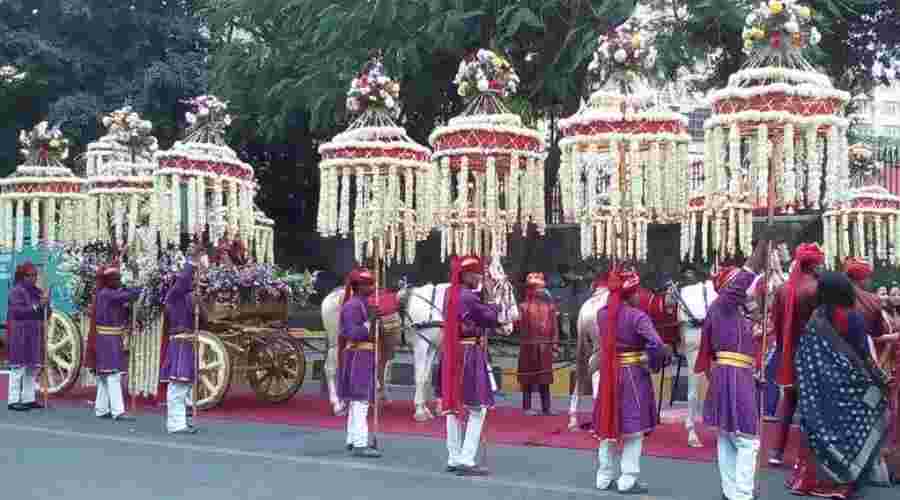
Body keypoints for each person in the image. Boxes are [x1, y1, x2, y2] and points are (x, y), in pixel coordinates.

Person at [788, 272, 891, 498]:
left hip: (818, 388)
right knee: (853, 427)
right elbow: (862, 352)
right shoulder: (852, 317)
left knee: (816, 429)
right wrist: (878, 377)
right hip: (848, 385)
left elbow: (805, 351)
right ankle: (844, 482)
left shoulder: (817, 316)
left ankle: (806, 480)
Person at [694, 239, 768, 500]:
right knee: (748, 440)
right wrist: (763, 246)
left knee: (727, 437)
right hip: (733, 375)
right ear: (730, 288)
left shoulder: (732, 310)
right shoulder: (725, 304)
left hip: (735, 374)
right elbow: (748, 274)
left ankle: (732, 492)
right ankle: (743, 494)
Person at [594, 269, 672, 493]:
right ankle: (627, 479)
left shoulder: (602, 314)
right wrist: (661, 357)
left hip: (609, 374)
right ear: (632, 294)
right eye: (637, 292)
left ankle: (603, 477)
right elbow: (657, 344)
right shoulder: (638, 316)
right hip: (632, 376)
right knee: (633, 430)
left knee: (608, 426)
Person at [441, 255, 510, 476]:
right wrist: (491, 299)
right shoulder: (468, 297)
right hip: (469, 353)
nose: (479, 277)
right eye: (476, 274)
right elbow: (491, 317)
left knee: (452, 408)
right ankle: (467, 459)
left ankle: (453, 456)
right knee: (477, 408)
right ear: (466, 275)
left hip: (453, 352)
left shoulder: (451, 294)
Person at [768, 243, 825, 466]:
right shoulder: (817, 288)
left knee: (788, 401)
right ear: (814, 265)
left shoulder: (783, 289)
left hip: (788, 352)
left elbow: (776, 323)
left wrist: (783, 349)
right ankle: (803, 456)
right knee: (810, 406)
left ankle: (776, 452)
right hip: (812, 354)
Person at [85, 265, 141, 421]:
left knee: (105, 376)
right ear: (109, 281)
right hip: (108, 339)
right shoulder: (106, 294)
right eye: (116, 279)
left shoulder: (106, 293)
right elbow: (131, 295)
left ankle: (101, 409)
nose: (119, 281)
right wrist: (137, 284)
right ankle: (118, 411)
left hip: (109, 338)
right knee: (114, 375)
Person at [160, 245, 206, 434]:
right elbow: (183, 281)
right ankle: (176, 424)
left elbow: (206, 319)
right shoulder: (174, 296)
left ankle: (181, 422)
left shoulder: (188, 297)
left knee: (185, 384)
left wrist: (199, 303)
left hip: (188, 342)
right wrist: (192, 262)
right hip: (180, 343)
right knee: (178, 386)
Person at [337, 267, 381, 458]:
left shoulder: (363, 303)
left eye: (372, 282)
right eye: (368, 284)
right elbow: (353, 333)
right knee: (361, 400)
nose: (372, 286)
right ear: (357, 286)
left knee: (358, 401)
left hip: (364, 355)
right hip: (358, 355)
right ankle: (360, 443)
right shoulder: (352, 306)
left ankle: (353, 439)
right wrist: (370, 321)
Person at [673, 262, 717, 448]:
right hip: (703, 336)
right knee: (698, 383)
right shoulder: (708, 288)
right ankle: (693, 426)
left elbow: (680, 323)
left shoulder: (683, 291)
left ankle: (696, 425)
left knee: (699, 382)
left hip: (696, 335)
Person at [6, 262, 50, 412]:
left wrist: (46, 305)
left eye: (35, 275)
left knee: (32, 367)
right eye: (30, 275)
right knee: (18, 367)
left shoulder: (38, 292)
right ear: (22, 276)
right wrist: (38, 306)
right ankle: (13, 400)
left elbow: (46, 314)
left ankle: (28, 398)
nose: (33, 278)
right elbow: (18, 312)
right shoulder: (15, 291)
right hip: (20, 333)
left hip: (34, 333)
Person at [516, 272, 559, 416]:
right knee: (527, 378)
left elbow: (554, 327)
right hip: (528, 347)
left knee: (544, 379)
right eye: (536, 288)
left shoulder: (550, 308)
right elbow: (518, 328)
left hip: (545, 347)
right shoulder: (523, 307)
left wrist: (554, 344)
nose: (540, 291)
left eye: (541, 287)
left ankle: (546, 408)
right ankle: (527, 407)